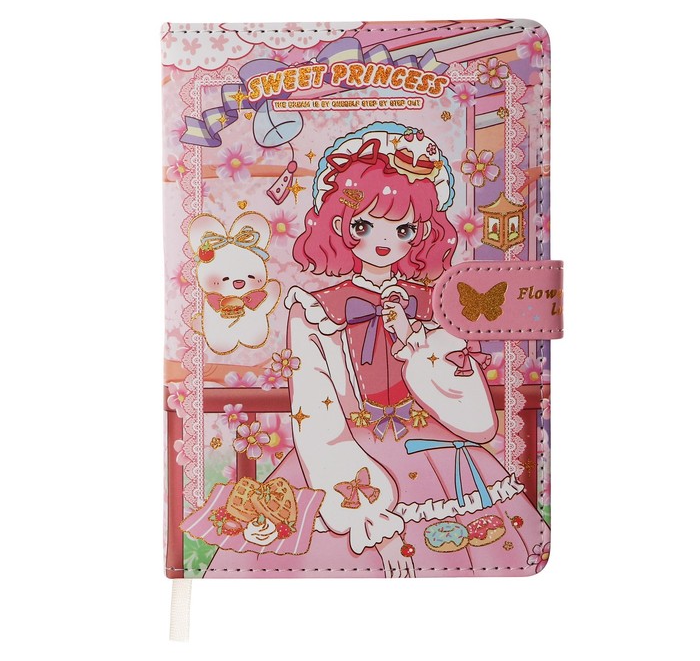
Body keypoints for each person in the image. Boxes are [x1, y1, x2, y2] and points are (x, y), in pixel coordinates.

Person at [203, 127, 548, 578]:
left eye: (403, 228)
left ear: (422, 233)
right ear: (337, 225)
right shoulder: (313, 310)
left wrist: (416, 346)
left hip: (438, 449)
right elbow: (315, 412)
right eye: (363, 225)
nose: (384, 241)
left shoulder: (434, 303)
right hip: (343, 456)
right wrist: (366, 514)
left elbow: (475, 416)